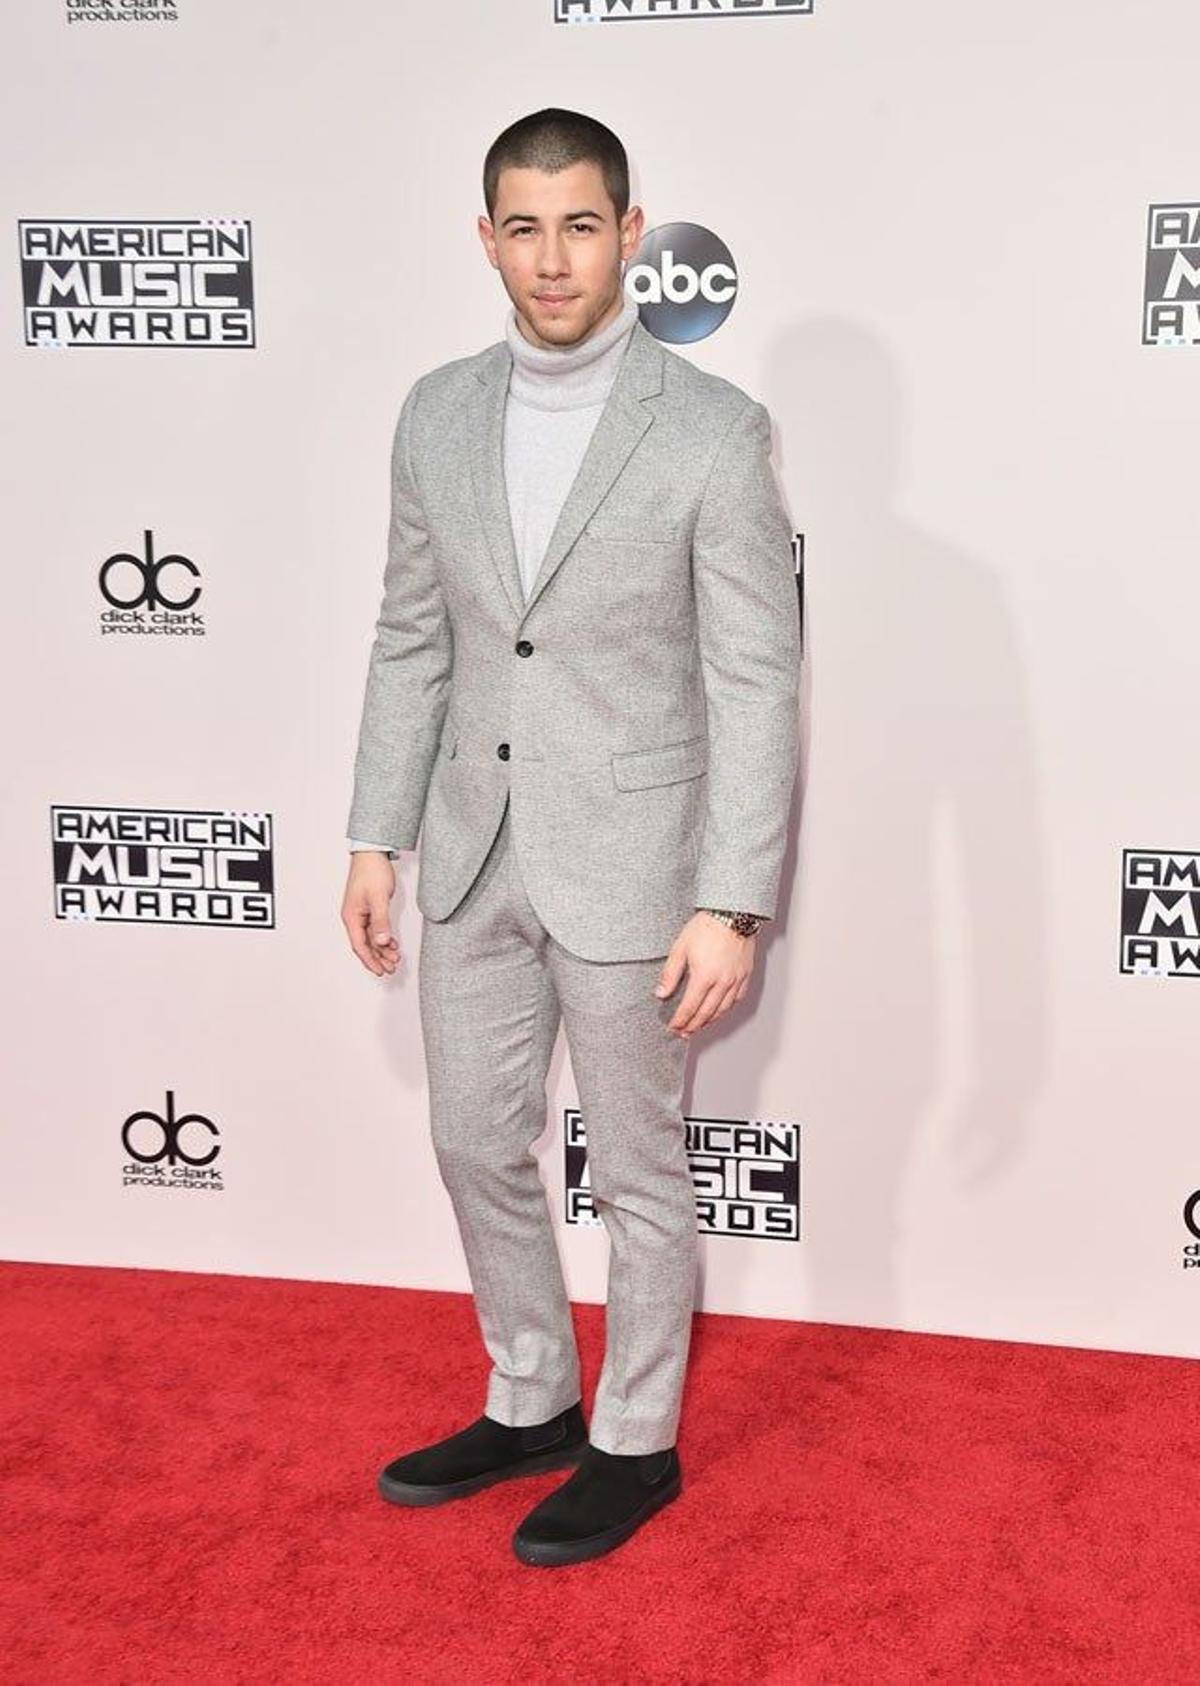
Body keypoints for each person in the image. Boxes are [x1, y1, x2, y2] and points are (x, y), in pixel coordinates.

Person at [340, 107, 801, 1567]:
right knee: (472, 1134)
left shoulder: (714, 431)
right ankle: (534, 1391)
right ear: (487, 239)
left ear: (630, 232)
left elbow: (753, 675)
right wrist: (373, 833)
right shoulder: (434, 411)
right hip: (472, 848)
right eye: (523, 228)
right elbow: (413, 637)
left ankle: (635, 1438)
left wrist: (733, 899)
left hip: (641, 862)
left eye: (581, 225)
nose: (553, 258)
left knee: (641, 1170)